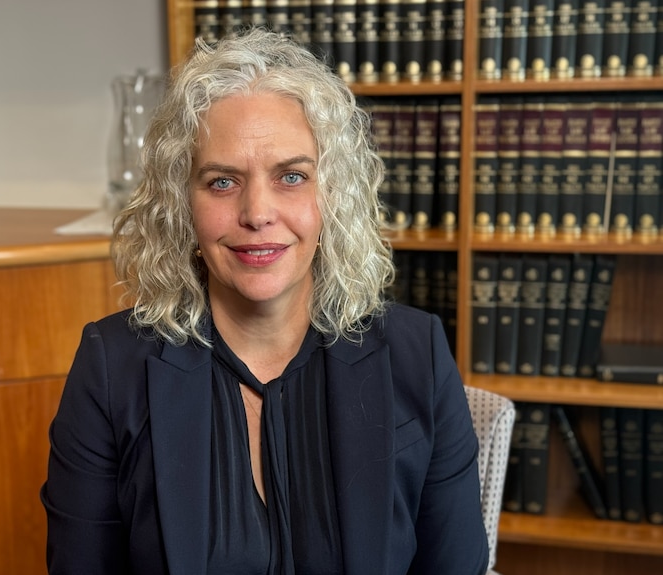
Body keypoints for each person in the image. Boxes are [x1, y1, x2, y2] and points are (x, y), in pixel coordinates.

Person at [41, 27, 489, 575]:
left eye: (291, 176)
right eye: (222, 182)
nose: (257, 213)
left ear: (332, 196)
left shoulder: (418, 353)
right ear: (182, 206)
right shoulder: (111, 368)